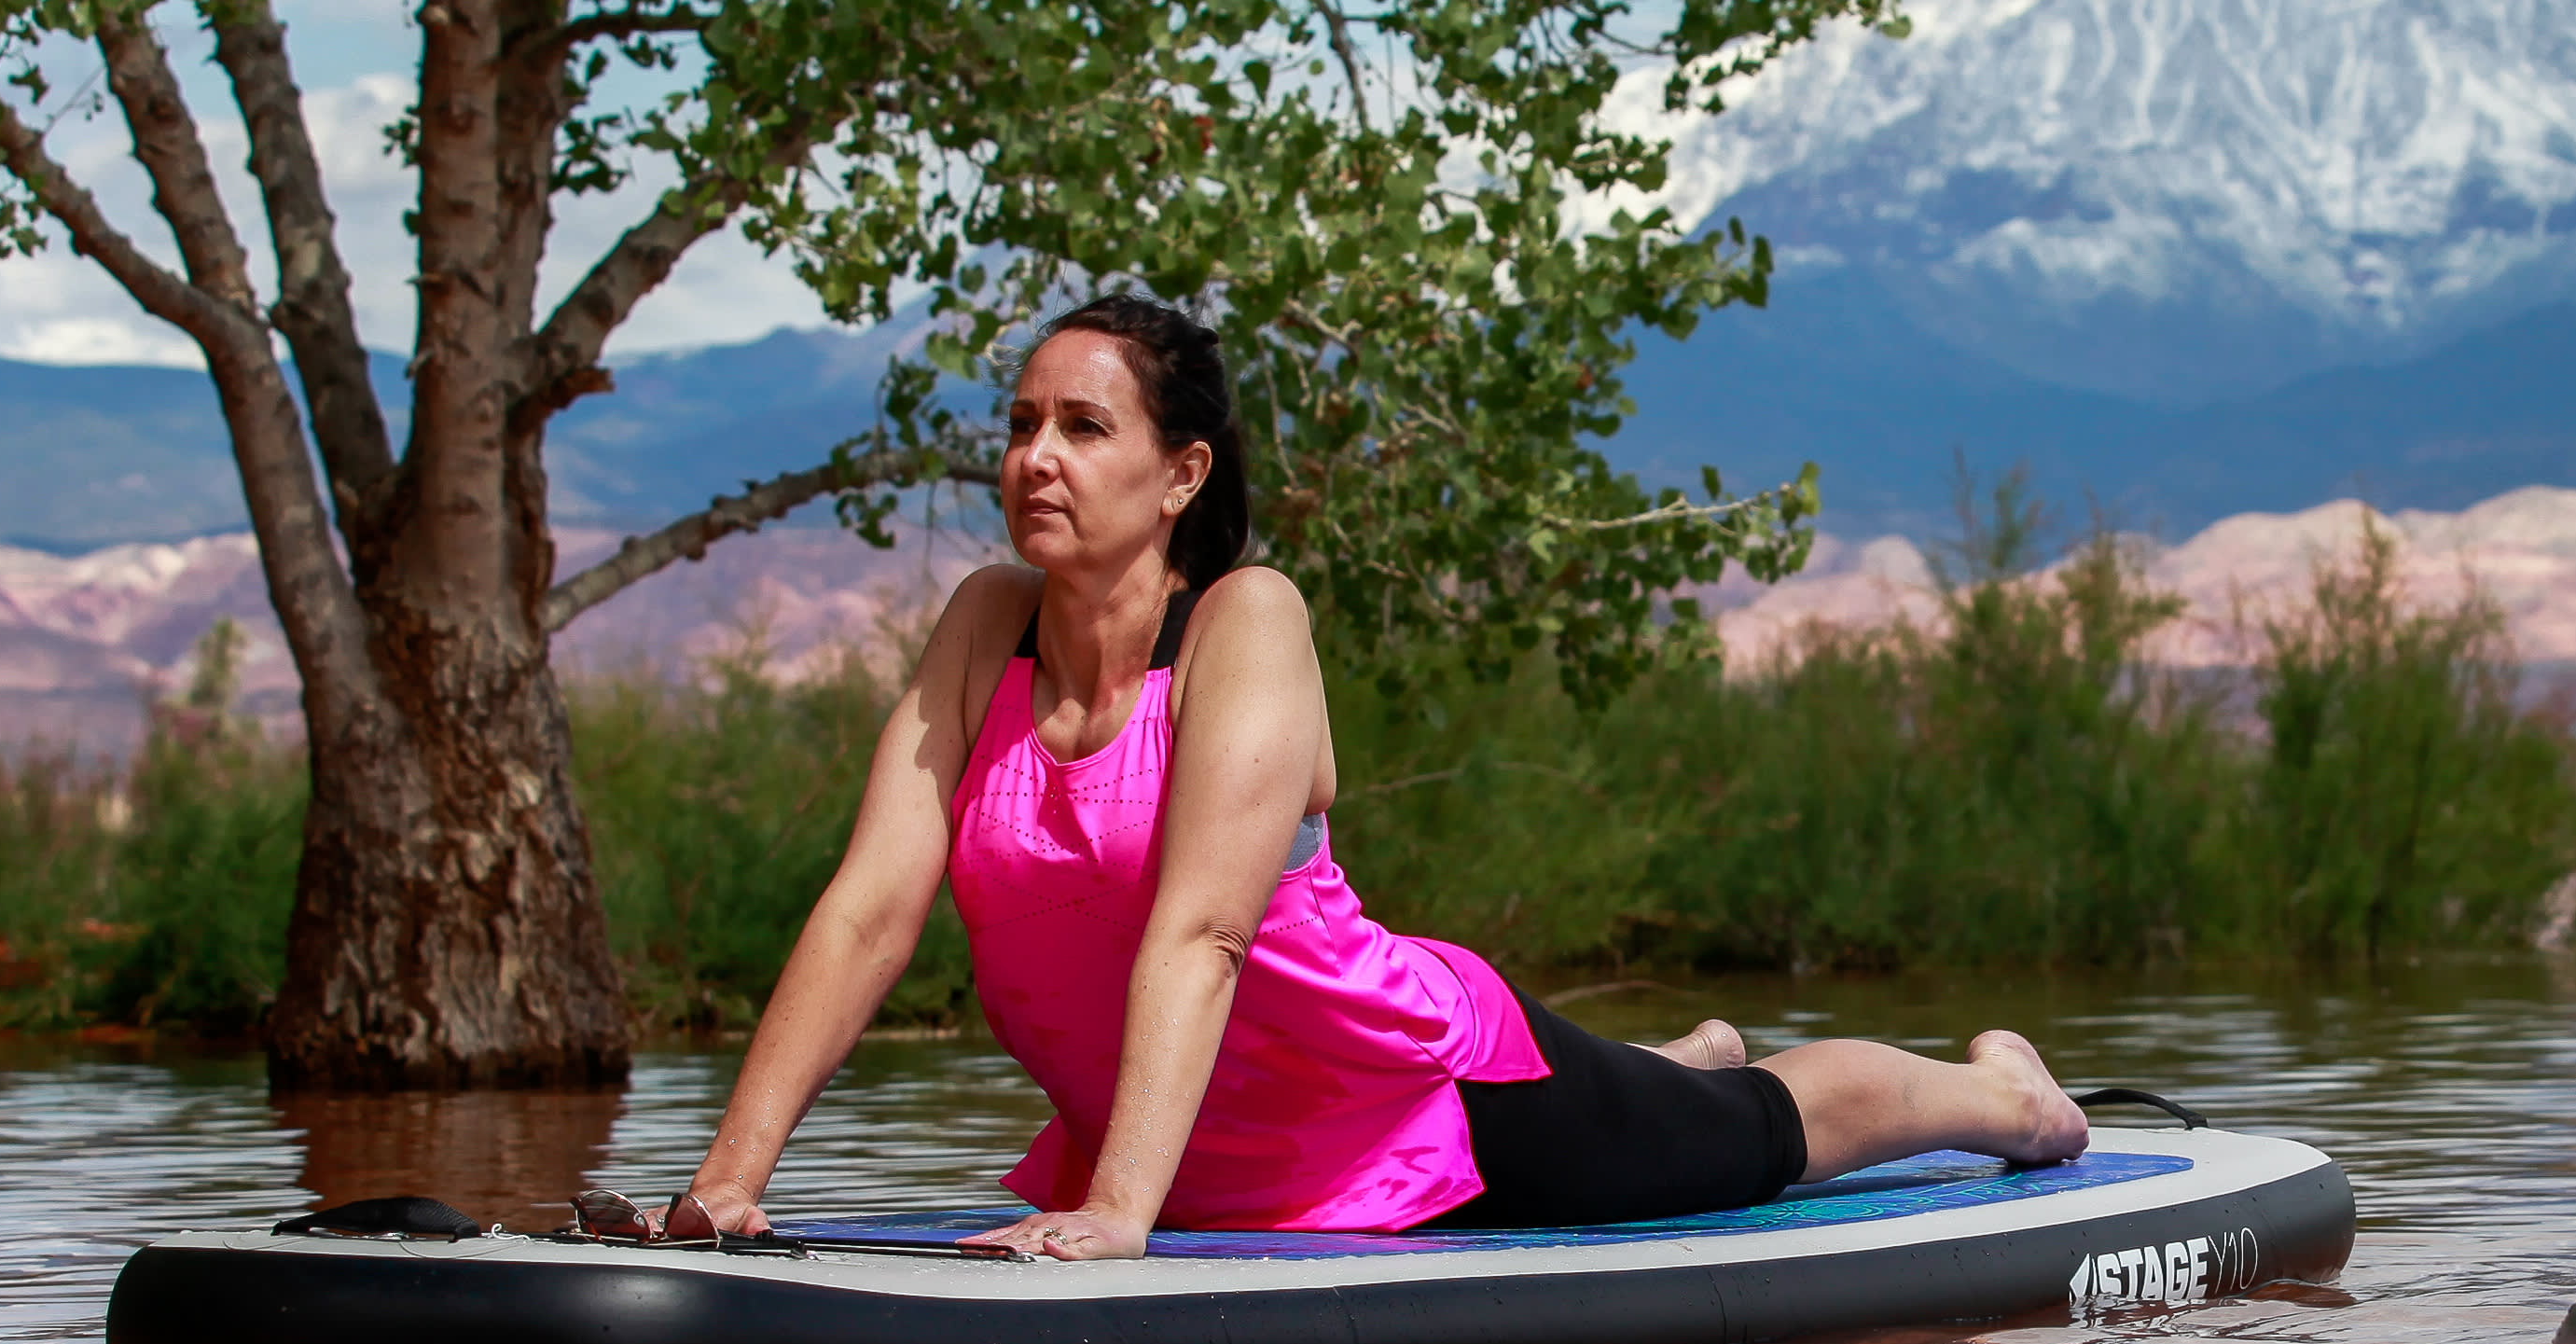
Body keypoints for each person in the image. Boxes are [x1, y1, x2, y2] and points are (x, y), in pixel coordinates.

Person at [626, 292, 2089, 1257]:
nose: (1035, 459)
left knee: (1747, 1137)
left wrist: (1118, 1213)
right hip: (1191, 1145)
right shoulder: (979, 630)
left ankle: (1993, 1093)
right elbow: (871, 907)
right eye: (1018, 425)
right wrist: (725, 1186)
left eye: (1082, 426)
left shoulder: (1243, 619)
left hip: (1405, 1104)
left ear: (1182, 472)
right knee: (1685, 1094)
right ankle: (1678, 1052)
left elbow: (1203, 930)